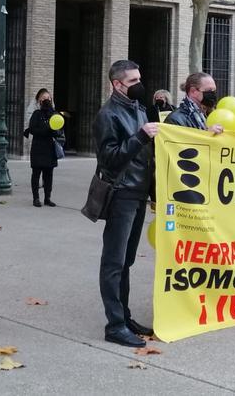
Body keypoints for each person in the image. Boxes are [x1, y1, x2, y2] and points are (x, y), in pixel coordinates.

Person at [96, 60, 157, 349]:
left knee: (127, 261)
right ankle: (115, 325)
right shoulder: (108, 114)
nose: (139, 86)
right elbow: (110, 159)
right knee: (114, 261)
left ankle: (125, 316)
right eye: (133, 82)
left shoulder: (139, 109)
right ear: (116, 84)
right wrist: (141, 135)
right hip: (121, 194)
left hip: (139, 192)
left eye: (139, 79)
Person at [26, 88, 64, 207]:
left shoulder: (55, 114)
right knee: (36, 173)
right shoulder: (36, 114)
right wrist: (47, 129)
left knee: (49, 174)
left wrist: (55, 131)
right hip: (38, 147)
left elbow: (59, 131)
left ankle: (47, 198)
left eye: (48, 98)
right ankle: (36, 198)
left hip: (49, 148)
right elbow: (32, 129)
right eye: (43, 99)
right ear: (38, 101)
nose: (46, 101)